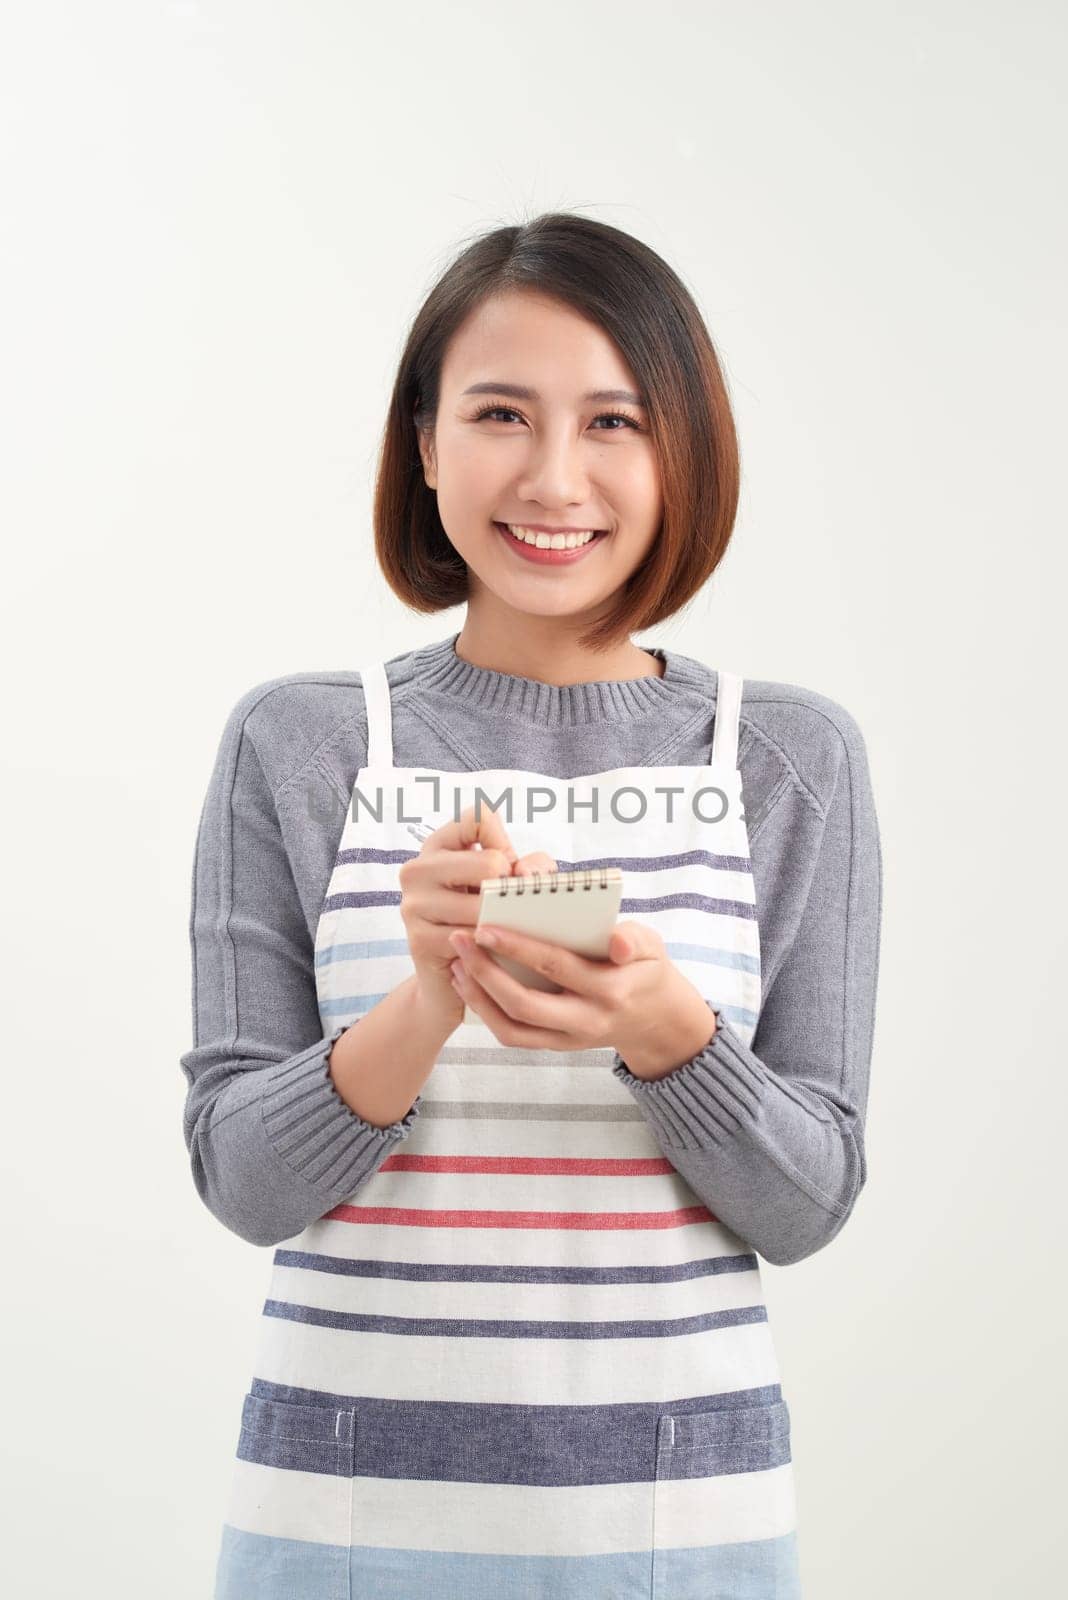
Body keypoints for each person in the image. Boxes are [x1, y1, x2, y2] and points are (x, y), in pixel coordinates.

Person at [182, 211, 882, 1600]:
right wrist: (426, 998)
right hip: (344, 1527)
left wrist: (672, 1035)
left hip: (672, 1530)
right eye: (502, 414)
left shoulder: (782, 755)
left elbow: (809, 1206)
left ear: (682, 451)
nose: (555, 478)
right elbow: (241, 1181)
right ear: (428, 443)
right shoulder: (306, 744)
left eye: (614, 422)